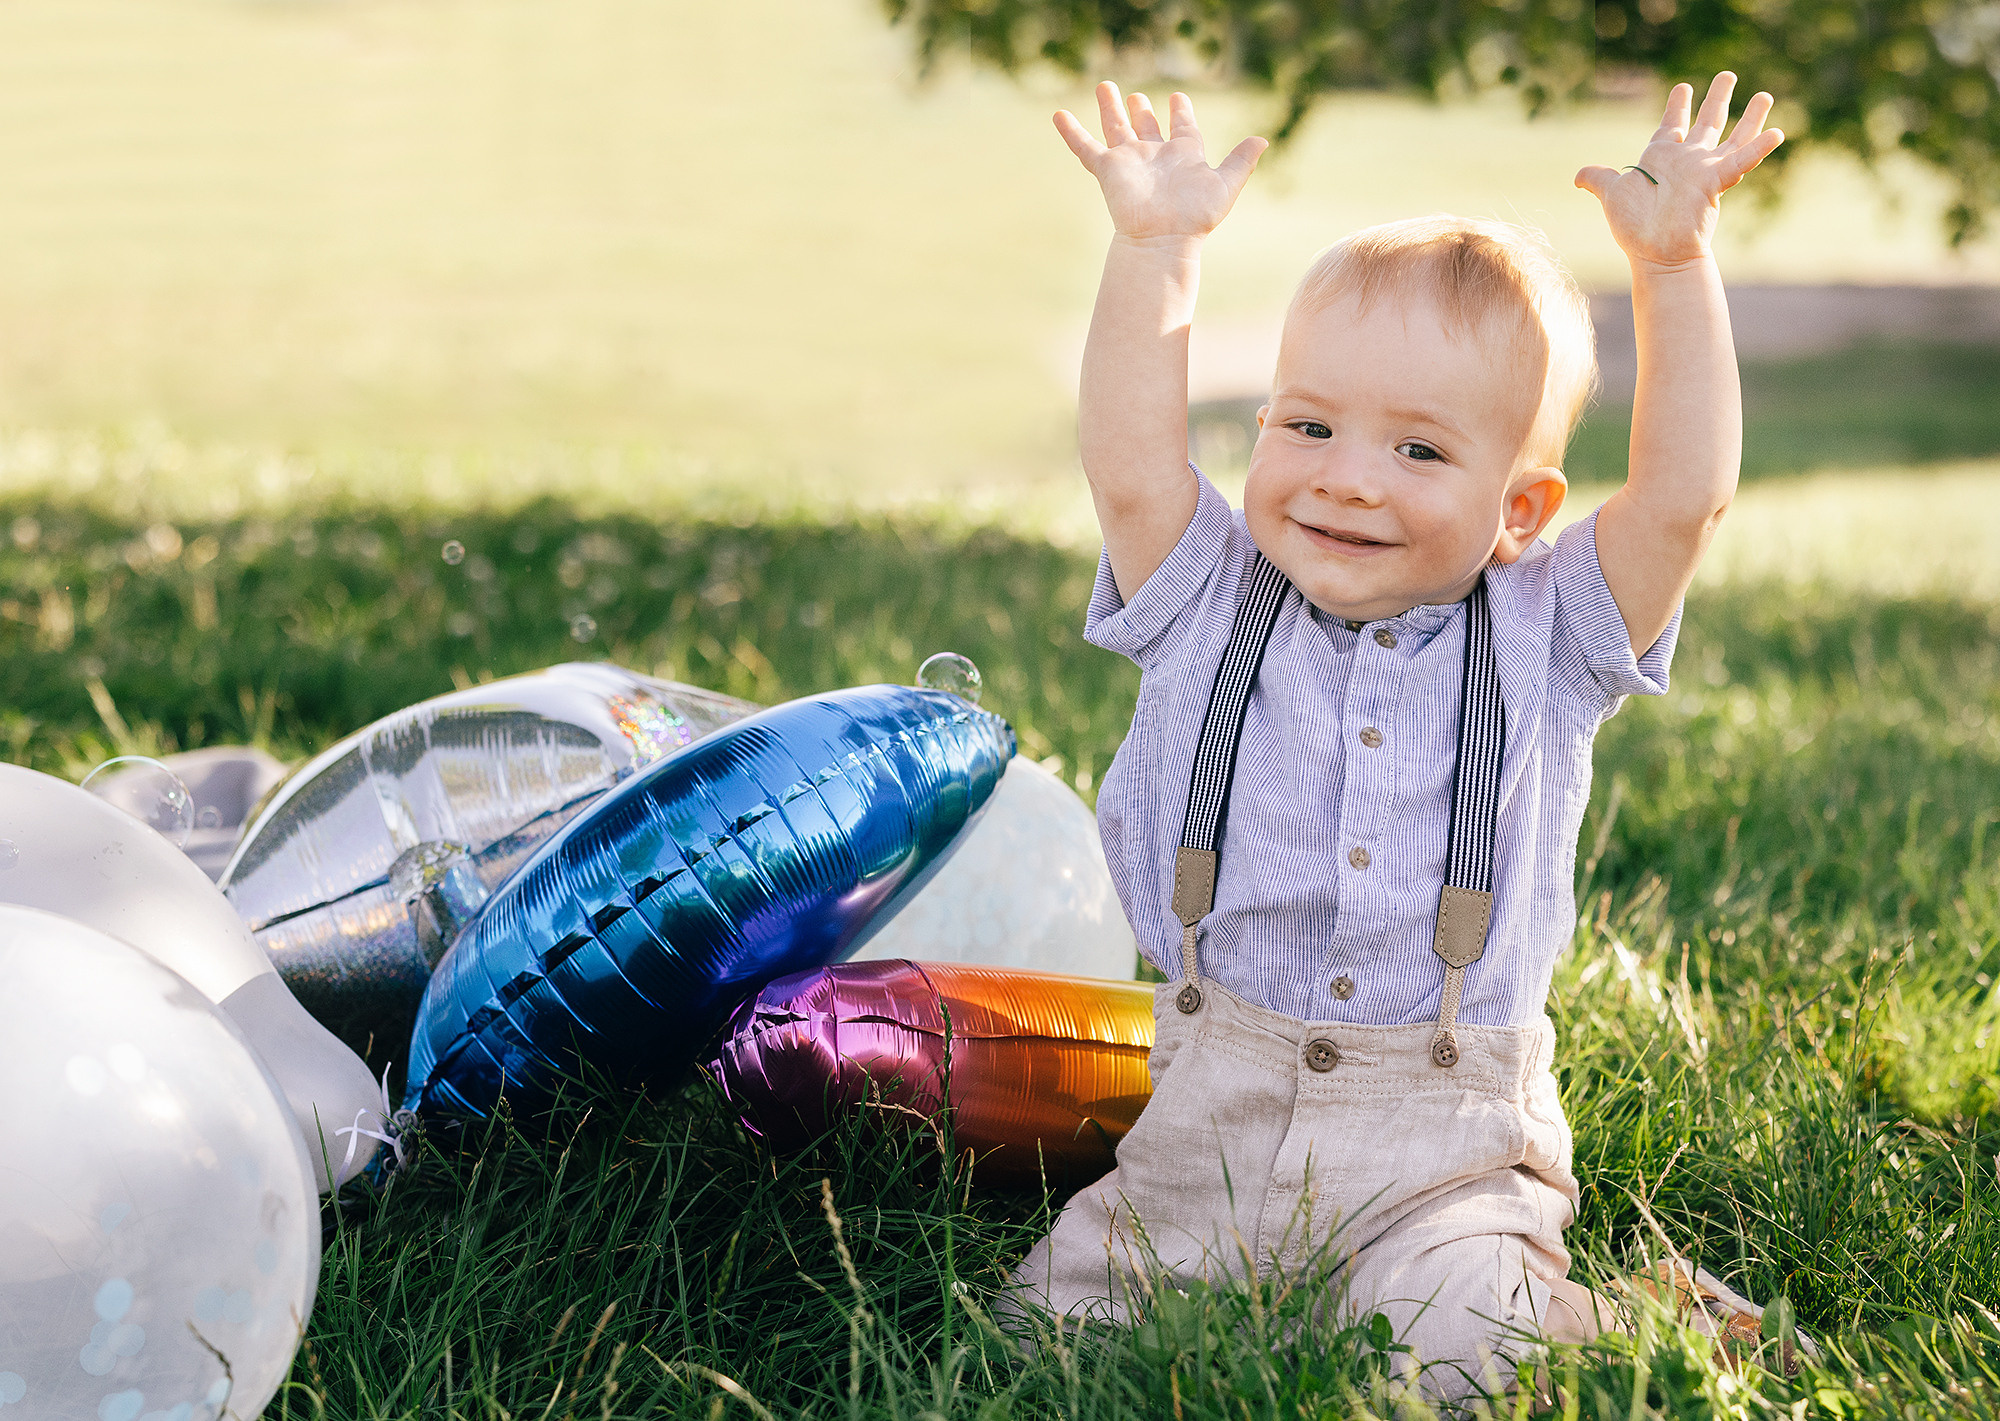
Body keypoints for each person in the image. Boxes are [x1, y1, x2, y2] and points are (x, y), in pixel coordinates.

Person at [1007, 74, 1786, 1395]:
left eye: (1420, 451)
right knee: (1038, 1349)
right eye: (1307, 425)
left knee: (1468, 1353)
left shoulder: (1552, 634)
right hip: (1211, 1115)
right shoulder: (1206, 593)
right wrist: (1156, 252)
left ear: (1523, 507)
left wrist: (1673, 265)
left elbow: (1682, 500)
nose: (1348, 474)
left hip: (1443, 1147)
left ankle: (1615, 1311)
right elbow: (1133, 460)